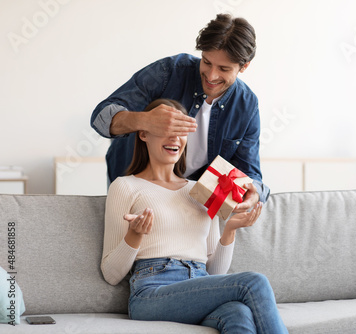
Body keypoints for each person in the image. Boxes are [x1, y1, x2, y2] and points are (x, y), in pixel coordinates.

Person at [101, 99, 288, 333]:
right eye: (166, 130)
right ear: (143, 134)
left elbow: (214, 273)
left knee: (239, 314)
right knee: (254, 283)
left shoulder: (200, 189)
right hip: (151, 294)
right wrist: (134, 236)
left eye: (181, 132)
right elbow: (111, 274)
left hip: (197, 286)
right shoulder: (125, 186)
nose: (174, 139)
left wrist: (229, 231)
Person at [91, 14, 269, 212]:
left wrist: (255, 193)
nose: (211, 76)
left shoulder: (247, 105)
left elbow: (250, 172)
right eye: (207, 62)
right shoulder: (170, 72)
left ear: (244, 67)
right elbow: (101, 117)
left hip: (187, 198)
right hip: (131, 183)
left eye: (224, 69)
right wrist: (145, 120)